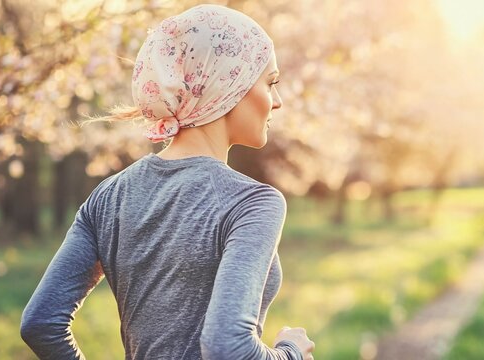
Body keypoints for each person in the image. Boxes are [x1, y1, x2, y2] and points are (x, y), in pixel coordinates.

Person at [20, 4, 315, 360]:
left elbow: (40, 323)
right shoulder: (251, 202)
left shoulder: (108, 196)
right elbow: (228, 348)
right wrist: (292, 352)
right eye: (270, 83)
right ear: (227, 84)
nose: (278, 101)